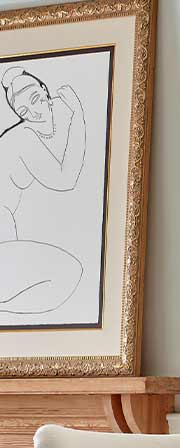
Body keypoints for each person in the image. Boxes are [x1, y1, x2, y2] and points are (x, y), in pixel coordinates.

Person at [0, 66, 86, 316]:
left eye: (36, 100)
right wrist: (79, 115)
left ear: (44, 90)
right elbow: (65, 178)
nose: (34, 113)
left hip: (7, 235)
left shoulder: (57, 110)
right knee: (68, 272)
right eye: (23, 112)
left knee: (66, 276)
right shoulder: (20, 138)